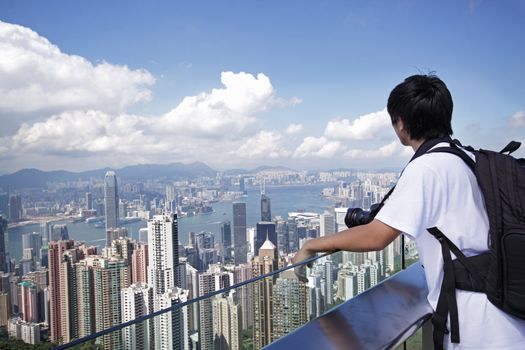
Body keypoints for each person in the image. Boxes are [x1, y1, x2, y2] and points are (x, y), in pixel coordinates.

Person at [292, 74, 525, 349]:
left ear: (401, 124)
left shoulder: (427, 167)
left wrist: (311, 245)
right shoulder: (469, 158)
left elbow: (375, 236)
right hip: (507, 308)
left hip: (478, 324)